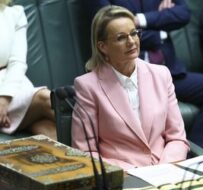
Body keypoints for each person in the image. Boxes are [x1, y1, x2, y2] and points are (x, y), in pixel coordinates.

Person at [85, 0, 203, 151]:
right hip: (126, 77)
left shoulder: (163, 74)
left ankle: (194, 153)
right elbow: (111, 32)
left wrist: (140, 20)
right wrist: (161, 31)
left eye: (134, 32)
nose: (132, 38)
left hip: (170, 73)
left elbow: (183, 13)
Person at [71, 5, 190, 171]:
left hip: (166, 171)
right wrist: (133, 173)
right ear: (102, 46)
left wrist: (163, 170)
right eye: (121, 38)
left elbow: (177, 138)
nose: (131, 41)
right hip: (123, 178)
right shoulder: (87, 86)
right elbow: (85, 152)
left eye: (134, 33)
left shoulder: (161, 74)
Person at [0, 0, 56, 139]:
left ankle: (94, 155)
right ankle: (106, 138)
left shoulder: (14, 13)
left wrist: (4, 99)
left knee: (48, 130)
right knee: (46, 98)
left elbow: (17, 62)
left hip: (14, 86)